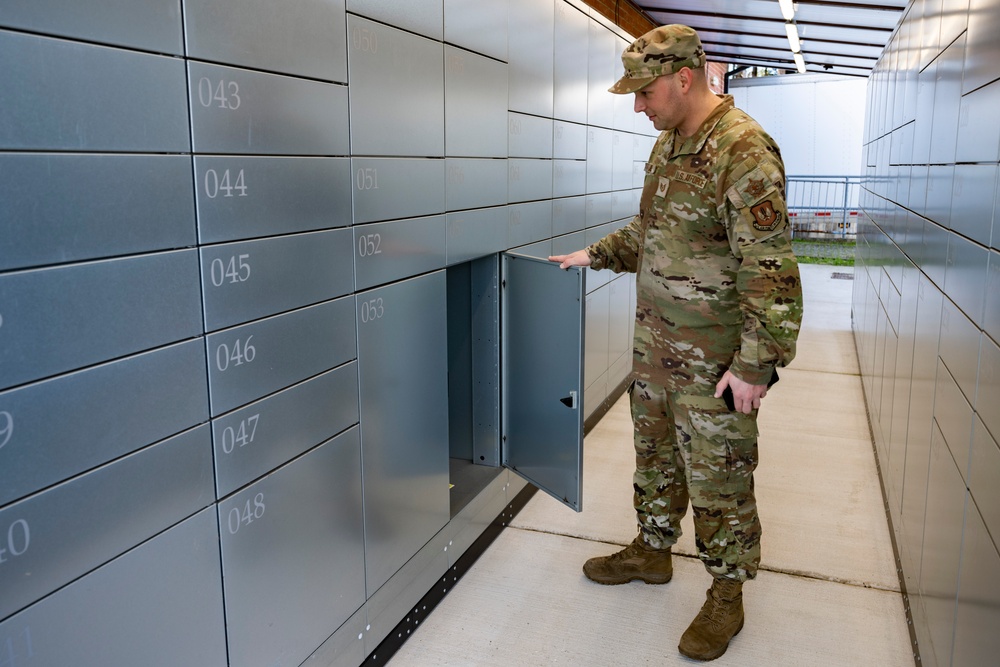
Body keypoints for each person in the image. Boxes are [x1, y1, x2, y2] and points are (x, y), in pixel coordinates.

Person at [549, 24, 802, 661]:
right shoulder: (668, 144)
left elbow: (770, 271)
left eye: (644, 91)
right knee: (655, 458)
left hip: (715, 364)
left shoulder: (743, 152)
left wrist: (755, 366)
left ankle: (726, 594)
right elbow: (651, 228)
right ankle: (653, 551)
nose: (638, 105)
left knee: (719, 481)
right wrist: (596, 254)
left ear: (683, 78)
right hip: (656, 349)